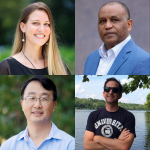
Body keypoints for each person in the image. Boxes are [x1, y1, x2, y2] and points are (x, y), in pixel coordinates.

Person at [0, 76, 75, 150]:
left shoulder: (70, 145)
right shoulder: (8, 147)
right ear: (22, 104)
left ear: (54, 105)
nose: (37, 105)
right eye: (32, 98)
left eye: (44, 98)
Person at [0, 2, 71, 75]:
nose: (42, 29)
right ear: (23, 27)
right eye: (35, 23)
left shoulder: (59, 66)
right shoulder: (6, 67)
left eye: (46, 24)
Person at [84, 1, 150, 75]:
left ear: (129, 25)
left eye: (115, 20)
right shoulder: (91, 58)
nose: (107, 26)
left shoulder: (143, 60)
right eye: (102, 21)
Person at [84, 77, 136, 150]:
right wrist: (117, 142)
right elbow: (87, 146)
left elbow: (124, 147)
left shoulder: (128, 116)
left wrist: (98, 138)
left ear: (120, 95)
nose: (110, 92)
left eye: (115, 90)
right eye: (107, 89)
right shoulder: (93, 115)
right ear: (103, 93)